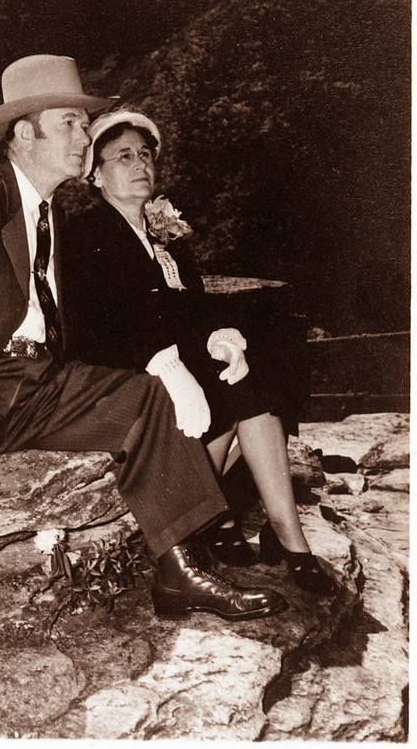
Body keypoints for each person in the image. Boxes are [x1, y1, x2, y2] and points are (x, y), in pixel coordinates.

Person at [0, 56, 286, 738]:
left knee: (149, 399)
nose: (83, 136)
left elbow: (80, 320)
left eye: (84, 123)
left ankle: (179, 566)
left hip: (39, 382)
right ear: (22, 135)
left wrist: (169, 356)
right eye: (69, 123)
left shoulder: (57, 212)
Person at [61, 106, 337, 595]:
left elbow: (191, 308)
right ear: (95, 174)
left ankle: (247, 530)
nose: (140, 163)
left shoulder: (164, 234)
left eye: (145, 154)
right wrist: (172, 362)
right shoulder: (88, 235)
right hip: (123, 373)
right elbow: (99, 328)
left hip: (175, 359)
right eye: (123, 156)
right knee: (245, 390)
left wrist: (221, 338)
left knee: (256, 369)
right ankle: (278, 541)